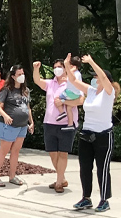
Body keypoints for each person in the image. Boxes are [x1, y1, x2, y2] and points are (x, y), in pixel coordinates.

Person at [63, 53, 119, 213]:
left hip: (103, 135)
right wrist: (66, 65)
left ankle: (104, 200)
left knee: (102, 168)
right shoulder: (91, 91)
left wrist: (91, 62)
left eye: (96, 77)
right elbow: (74, 81)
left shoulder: (109, 93)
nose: (94, 79)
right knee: (85, 167)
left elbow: (104, 77)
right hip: (87, 134)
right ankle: (86, 198)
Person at [32, 59, 84, 194]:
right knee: (52, 153)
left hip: (66, 123)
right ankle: (62, 178)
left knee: (63, 153)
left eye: (59, 67)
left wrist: (63, 101)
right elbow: (37, 81)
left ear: (65, 68)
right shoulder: (51, 83)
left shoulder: (72, 82)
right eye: (55, 67)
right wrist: (36, 69)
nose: (57, 69)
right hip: (49, 122)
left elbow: (81, 100)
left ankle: (59, 182)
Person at [0, 65, 33, 187]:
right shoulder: (7, 89)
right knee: (3, 150)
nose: (22, 76)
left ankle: (12, 176)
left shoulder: (26, 90)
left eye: (23, 74)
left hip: (22, 126)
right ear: (13, 76)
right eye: (19, 74)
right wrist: (5, 116)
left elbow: (28, 108)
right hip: (8, 126)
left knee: (16, 151)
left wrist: (31, 122)